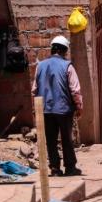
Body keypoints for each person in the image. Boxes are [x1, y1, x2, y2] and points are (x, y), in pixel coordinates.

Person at [32, 35, 83, 177]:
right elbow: (75, 90)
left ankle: (55, 168)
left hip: (45, 109)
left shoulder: (40, 66)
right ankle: (70, 167)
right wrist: (79, 107)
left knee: (50, 139)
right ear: (65, 51)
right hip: (64, 109)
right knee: (67, 138)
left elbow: (34, 89)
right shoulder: (68, 66)